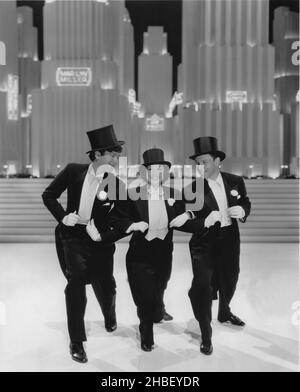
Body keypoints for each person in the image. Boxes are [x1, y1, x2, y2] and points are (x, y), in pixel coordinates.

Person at [42, 125, 125, 363]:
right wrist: (62, 216)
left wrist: (103, 235)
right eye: (112, 154)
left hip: (99, 240)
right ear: (98, 154)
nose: (116, 160)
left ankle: (109, 314)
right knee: (76, 282)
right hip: (73, 236)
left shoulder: (115, 184)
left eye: (117, 155)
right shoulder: (73, 171)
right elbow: (49, 195)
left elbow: (119, 219)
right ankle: (76, 341)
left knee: (106, 285)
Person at [171, 137, 251, 355]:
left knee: (230, 280)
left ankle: (224, 312)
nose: (200, 167)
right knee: (202, 288)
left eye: (204, 162)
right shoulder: (191, 189)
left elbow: (245, 201)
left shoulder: (235, 181)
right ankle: (206, 334)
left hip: (230, 241)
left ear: (217, 160)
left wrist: (243, 211)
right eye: (197, 163)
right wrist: (203, 221)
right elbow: (182, 220)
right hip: (203, 244)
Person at [109, 148, 192, 351]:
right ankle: (146, 331)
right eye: (153, 170)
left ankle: (158, 310)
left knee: (161, 285)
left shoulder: (175, 194)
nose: (158, 173)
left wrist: (188, 214)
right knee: (144, 295)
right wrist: (132, 225)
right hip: (140, 253)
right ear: (145, 172)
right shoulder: (132, 194)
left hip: (164, 251)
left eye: (162, 169)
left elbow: (186, 218)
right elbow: (116, 218)